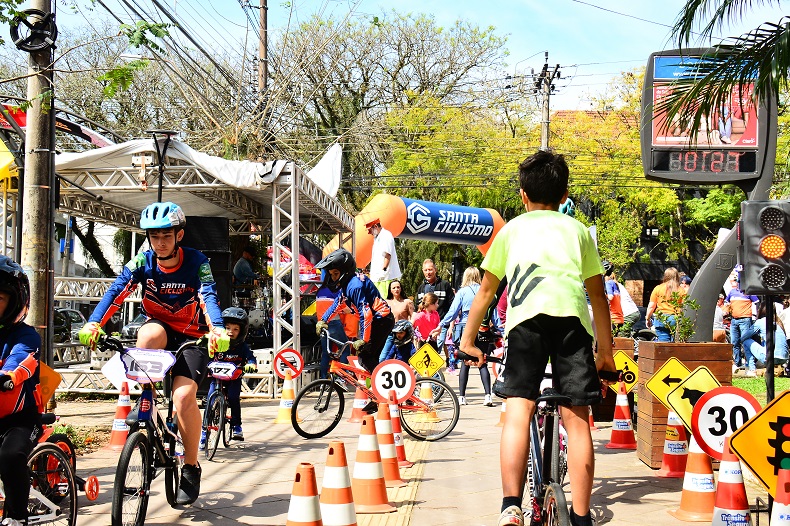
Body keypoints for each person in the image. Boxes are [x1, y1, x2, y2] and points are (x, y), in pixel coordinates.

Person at [459, 150, 616, 526]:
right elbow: (598, 296)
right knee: (577, 419)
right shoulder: (577, 230)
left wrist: (468, 342)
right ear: (565, 196)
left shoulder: (510, 230)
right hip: (572, 322)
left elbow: (485, 293)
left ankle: (510, 506)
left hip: (526, 323)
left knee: (518, 409)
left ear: (522, 195)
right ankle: (580, 517)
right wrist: (605, 352)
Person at [79, 201, 229, 506]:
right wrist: (95, 323)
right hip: (160, 329)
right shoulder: (141, 263)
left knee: (184, 398)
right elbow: (115, 292)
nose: (160, 243)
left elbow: (209, 295)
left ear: (179, 235)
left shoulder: (198, 261)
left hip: (192, 336)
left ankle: (190, 465)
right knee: (146, 334)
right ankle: (145, 397)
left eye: (166, 236)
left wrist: (217, 329)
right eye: (154, 237)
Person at [0, 256, 43, 526]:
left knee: (10, 455)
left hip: (21, 419)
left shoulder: (26, 336)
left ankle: (17, 517)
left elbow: (22, 361)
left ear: (15, 300)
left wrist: (9, 375)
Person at [314, 249, 395, 374]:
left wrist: (363, 339)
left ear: (345, 271)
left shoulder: (354, 286)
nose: (333, 277)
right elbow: (338, 303)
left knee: (365, 359)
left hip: (382, 321)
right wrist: (323, 320)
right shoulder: (348, 284)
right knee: (370, 359)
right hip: (378, 321)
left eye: (335, 273)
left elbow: (366, 313)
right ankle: (378, 388)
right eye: (331, 274)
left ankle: (386, 388)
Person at [438, 266, 495, 406]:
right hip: (482, 328)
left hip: (465, 328)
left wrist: (441, 324)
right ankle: (488, 395)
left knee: (465, 363)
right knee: (482, 362)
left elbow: (453, 312)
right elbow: (492, 313)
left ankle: (462, 397)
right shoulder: (486, 292)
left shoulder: (462, 292)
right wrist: (500, 329)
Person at [200, 308, 256, 447]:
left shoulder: (242, 347)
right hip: (217, 378)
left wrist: (251, 364)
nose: (231, 331)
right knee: (210, 399)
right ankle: (204, 431)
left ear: (241, 331)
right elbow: (207, 347)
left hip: (233, 379)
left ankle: (237, 426)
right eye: (228, 328)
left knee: (233, 398)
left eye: (235, 329)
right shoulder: (217, 342)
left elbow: (251, 358)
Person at [416, 258, 456, 354]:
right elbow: (417, 307)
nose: (428, 272)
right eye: (426, 270)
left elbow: (453, 306)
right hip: (425, 328)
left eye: (430, 269)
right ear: (423, 271)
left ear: (435, 270)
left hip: (441, 324)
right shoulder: (421, 288)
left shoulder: (445, 285)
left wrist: (451, 325)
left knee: (437, 347)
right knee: (425, 352)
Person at [740, 303, 789, 376]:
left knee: (746, 341)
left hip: (769, 358)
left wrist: (736, 343)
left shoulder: (760, 322)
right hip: (784, 358)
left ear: (760, 310)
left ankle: (752, 370)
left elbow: (744, 337)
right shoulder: (778, 322)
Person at [725, 272, 759, 371]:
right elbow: (727, 304)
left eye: (738, 281)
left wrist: (757, 316)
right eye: (736, 281)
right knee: (734, 342)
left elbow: (757, 303)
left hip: (745, 319)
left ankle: (751, 365)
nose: (737, 283)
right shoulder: (731, 292)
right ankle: (737, 363)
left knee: (746, 342)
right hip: (734, 320)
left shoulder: (749, 292)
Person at [645, 267, 685, 342]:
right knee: (676, 344)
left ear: (665, 276)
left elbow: (651, 306)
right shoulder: (681, 290)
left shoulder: (658, 288)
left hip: (662, 319)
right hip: (675, 319)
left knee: (663, 345)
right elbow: (684, 307)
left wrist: (648, 318)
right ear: (676, 276)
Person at [366, 218, 401, 297]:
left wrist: (384, 270)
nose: (369, 233)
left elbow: (387, 254)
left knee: (385, 301)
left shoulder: (386, 235)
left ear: (375, 226)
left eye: (370, 230)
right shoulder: (377, 238)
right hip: (378, 278)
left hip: (385, 278)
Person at [411, 292, 442, 361]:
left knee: (434, 362)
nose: (438, 305)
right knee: (423, 362)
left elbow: (439, 327)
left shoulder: (436, 314)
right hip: (423, 342)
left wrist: (436, 333)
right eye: (436, 303)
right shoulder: (421, 315)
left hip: (433, 342)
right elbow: (411, 326)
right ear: (431, 304)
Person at [603, 262, 624, 333]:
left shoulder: (608, 283)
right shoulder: (615, 284)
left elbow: (610, 297)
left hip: (613, 318)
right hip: (619, 318)